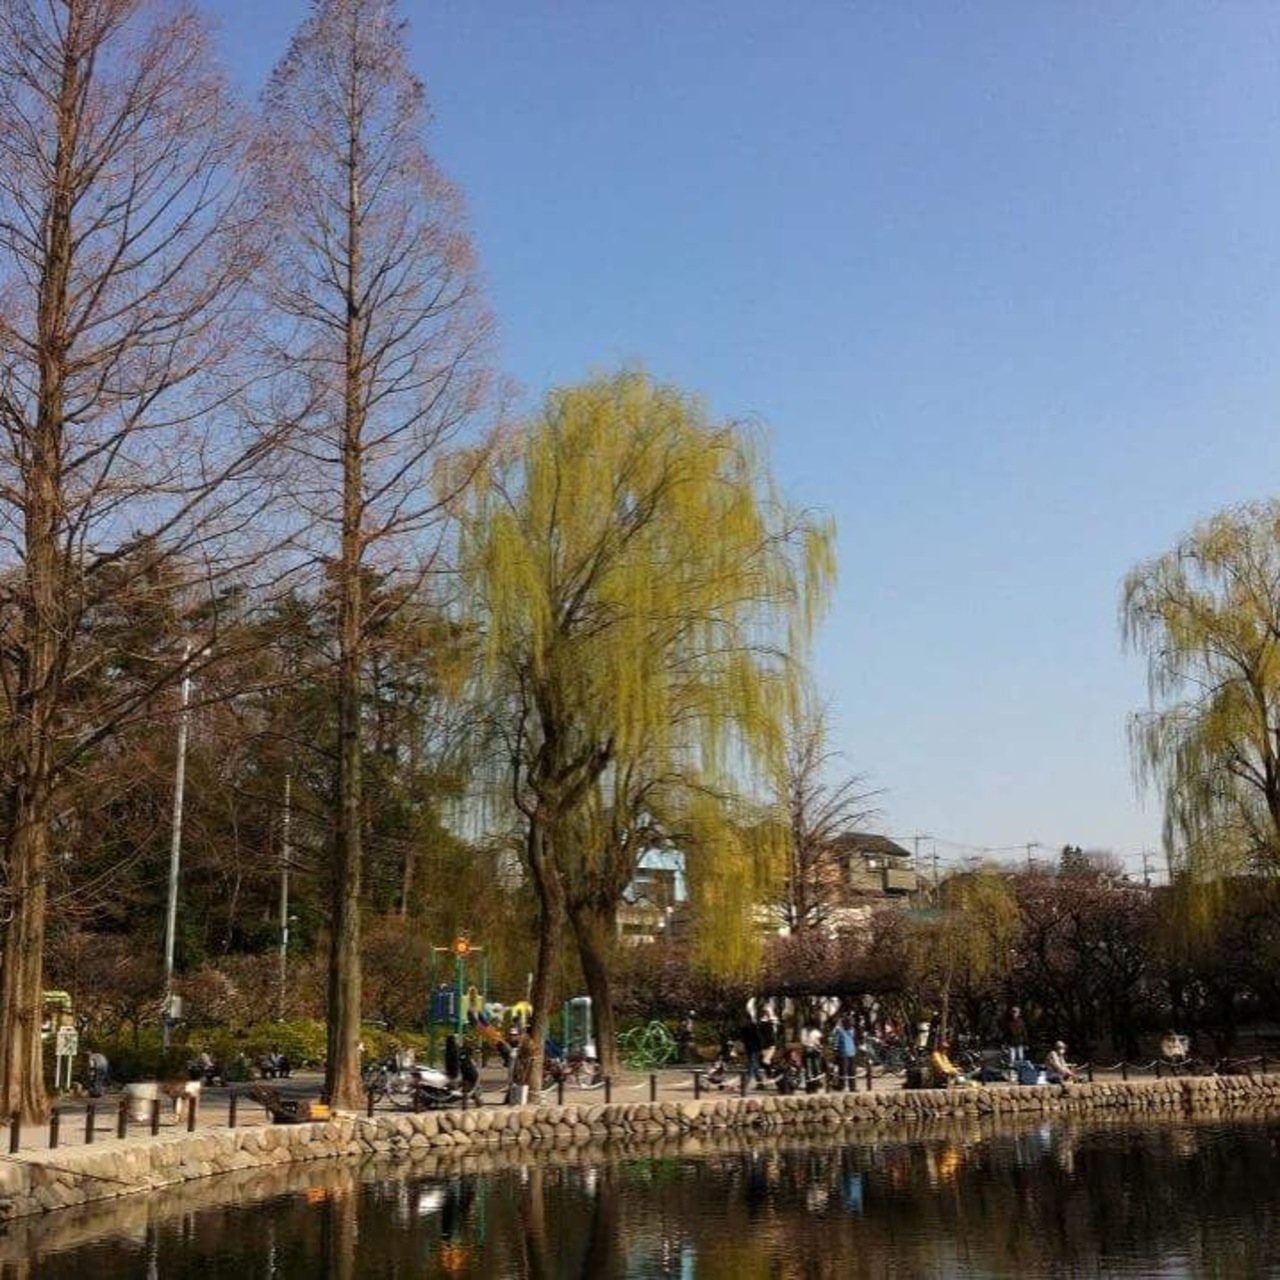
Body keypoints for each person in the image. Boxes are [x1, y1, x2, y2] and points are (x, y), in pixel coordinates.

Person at [832, 1015, 858, 1092]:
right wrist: (836, 1051)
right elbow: (836, 1042)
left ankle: (852, 1087)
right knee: (843, 1071)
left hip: (851, 1053)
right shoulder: (840, 1031)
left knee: (852, 1071)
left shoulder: (852, 1030)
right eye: (850, 1022)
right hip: (843, 1053)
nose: (851, 1024)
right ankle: (842, 1086)